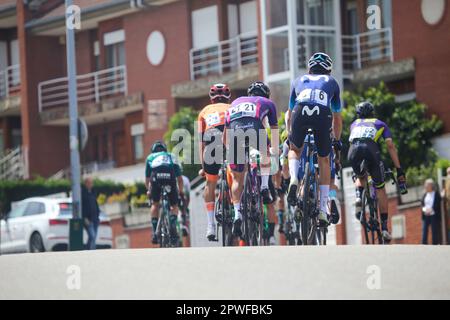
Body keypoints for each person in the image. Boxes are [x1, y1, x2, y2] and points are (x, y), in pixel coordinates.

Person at [286, 52, 342, 226]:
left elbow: (289, 114)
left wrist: (289, 134)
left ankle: (294, 178)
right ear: (328, 70)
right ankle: (324, 210)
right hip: (322, 114)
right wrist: (337, 140)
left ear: (309, 68)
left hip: (299, 112)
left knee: (295, 150)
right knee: (324, 159)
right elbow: (337, 118)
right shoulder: (332, 82)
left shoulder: (297, 80)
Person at [223, 81, 279, 237]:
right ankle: (264, 187)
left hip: (234, 133)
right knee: (266, 153)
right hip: (254, 129)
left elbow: (225, 135)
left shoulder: (234, 103)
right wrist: (274, 150)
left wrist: (229, 151)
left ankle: (237, 215)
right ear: (265, 94)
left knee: (237, 179)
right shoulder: (267, 102)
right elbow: (274, 128)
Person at [348, 101, 406, 241]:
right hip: (371, 150)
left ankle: (358, 196)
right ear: (372, 113)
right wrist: (399, 169)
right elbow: (390, 146)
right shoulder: (380, 123)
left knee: (360, 177)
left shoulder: (353, 124)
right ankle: (385, 228)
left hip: (353, 151)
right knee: (380, 188)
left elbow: (353, 141)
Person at [197, 83, 232, 241]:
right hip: (230, 138)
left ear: (211, 99)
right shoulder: (232, 107)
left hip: (211, 139)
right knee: (237, 174)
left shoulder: (204, 111)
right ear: (228, 97)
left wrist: (203, 167)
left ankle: (210, 225)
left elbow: (201, 142)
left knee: (210, 182)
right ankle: (238, 209)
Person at [145, 141, 184, 245]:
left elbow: (147, 179)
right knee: (174, 205)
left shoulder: (150, 157)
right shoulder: (171, 156)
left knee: (155, 204)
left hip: (156, 177)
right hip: (169, 176)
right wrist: (180, 192)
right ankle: (172, 222)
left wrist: (149, 191)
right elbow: (179, 179)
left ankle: (154, 232)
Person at [81, 177, 100, 250]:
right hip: (88, 219)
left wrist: (98, 215)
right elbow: (82, 207)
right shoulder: (82, 193)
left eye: (91, 183)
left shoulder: (93, 192)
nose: (91, 184)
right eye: (89, 183)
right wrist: (84, 217)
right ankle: (92, 251)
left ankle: (88, 250)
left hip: (95, 218)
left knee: (93, 237)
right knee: (92, 235)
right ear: (86, 183)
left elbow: (95, 204)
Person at [421, 179, 441, 245]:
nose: (425, 186)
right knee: (424, 229)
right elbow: (422, 204)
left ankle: (435, 243)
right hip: (426, 214)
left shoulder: (436, 194)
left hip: (434, 214)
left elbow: (437, 204)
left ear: (431, 186)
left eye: (427, 185)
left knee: (434, 229)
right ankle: (424, 243)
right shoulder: (425, 194)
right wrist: (425, 210)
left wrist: (431, 209)